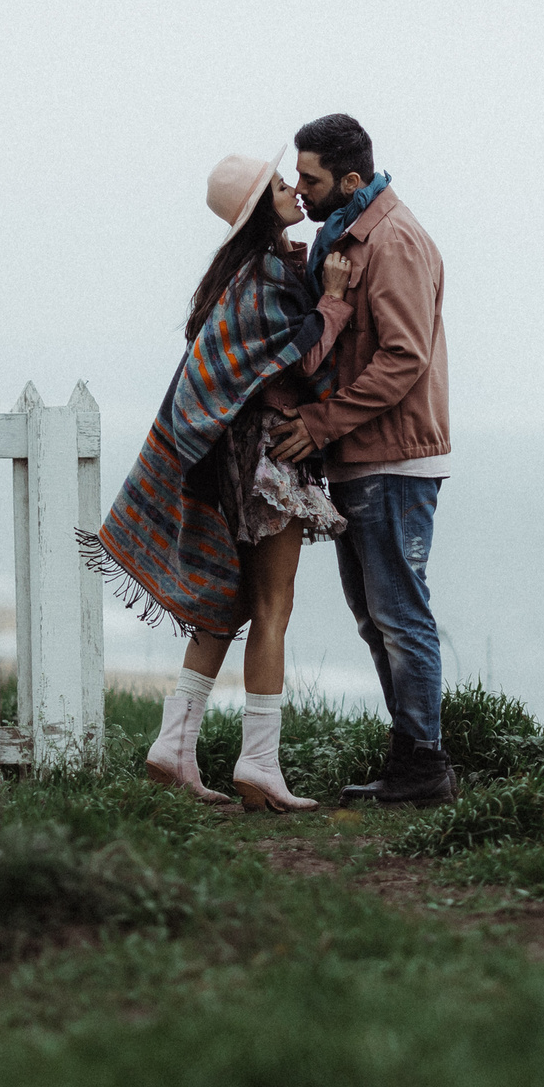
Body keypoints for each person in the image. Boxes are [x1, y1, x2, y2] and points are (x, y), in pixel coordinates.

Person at [83, 149, 354, 812]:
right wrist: (337, 301)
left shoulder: (239, 278)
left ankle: (173, 748)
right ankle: (259, 763)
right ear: (261, 206)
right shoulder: (262, 283)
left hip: (234, 457)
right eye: (279, 185)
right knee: (273, 606)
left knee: (232, 603)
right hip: (264, 457)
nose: (292, 188)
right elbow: (309, 356)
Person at [268, 114, 456, 808]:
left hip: (392, 458)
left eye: (310, 177)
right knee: (377, 616)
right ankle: (413, 759)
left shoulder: (394, 242)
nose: (300, 187)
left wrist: (318, 422)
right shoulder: (344, 238)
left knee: (400, 614)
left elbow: (403, 358)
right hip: (362, 456)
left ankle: (424, 764)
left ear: (350, 179)